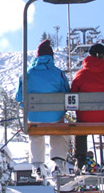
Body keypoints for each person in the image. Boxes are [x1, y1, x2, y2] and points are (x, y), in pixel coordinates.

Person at [15, 39, 71, 181]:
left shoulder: (27, 74)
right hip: (55, 117)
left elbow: (19, 97)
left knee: (36, 132)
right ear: (51, 57)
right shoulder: (58, 73)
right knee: (59, 129)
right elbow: (67, 94)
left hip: (35, 116)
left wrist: (25, 107)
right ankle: (58, 162)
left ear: (37, 56)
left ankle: (38, 164)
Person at [71, 43, 104, 175]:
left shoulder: (80, 75)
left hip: (84, 118)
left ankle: (80, 160)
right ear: (103, 56)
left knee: (80, 126)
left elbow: (72, 96)